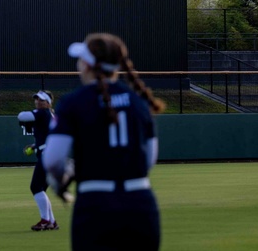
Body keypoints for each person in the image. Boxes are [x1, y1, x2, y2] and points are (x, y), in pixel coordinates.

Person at [42, 33, 166, 251]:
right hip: (141, 205)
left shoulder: (73, 102)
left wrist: (63, 177)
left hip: (95, 206)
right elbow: (148, 161)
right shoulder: (138, 101)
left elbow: (52, 160)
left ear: (88, 65)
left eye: (81, 60)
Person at [20, 91, 59, 231]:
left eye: (41, 100)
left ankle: (45, 220)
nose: (38, 102)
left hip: (48, 155)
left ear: (48, 102)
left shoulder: (43, 113)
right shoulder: (51, 116)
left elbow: (22, 116)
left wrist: (34, 111)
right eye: (36, 99)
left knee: (35, 187)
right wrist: (35, 145)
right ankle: (52, 222)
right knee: (40, 189)